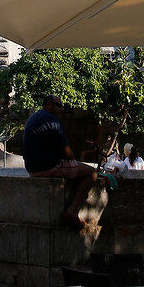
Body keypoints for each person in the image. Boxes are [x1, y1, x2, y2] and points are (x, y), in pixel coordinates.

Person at [23, 94, 106, 230]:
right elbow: (66, 152)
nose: (61, 109)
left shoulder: (33, 118)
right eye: (59, 105)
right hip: (48, 166)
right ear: (49, 104)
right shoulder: (53, 120)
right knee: (92, 173)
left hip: (32, 168)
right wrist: (72, 159)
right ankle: (72, 212)